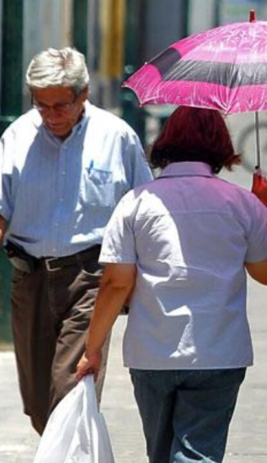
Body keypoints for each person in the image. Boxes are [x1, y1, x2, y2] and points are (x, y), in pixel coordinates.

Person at [76, 106, 267, 462]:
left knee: (160, 453)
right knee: (196, 454)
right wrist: (265, 210)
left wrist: (92, 348)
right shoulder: (242, 204)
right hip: (219, 351)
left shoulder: (136, 203)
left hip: (151, 351)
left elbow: (115, 284)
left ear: (166, 143)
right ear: (220, 144)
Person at [0, 47, 153, 434]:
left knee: (70, 395)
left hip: (91, 279)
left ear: (83, 94)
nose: (50, 116)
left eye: (60, 105)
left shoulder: (116, 137)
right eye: (41, 105)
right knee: (39, 407)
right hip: (29, 278)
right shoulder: (17, 136)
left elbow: (145, 210)